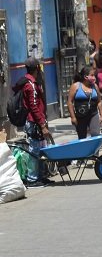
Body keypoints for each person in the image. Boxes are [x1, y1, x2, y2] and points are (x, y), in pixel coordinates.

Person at [15, 57, 51, 188]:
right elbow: (33, 107)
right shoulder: (30, 85)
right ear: (36, 68)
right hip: (34, 122)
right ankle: (32, 179)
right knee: (35, 150)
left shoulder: (32, 83)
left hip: (37, 121)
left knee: (41, 149)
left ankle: (41, 176)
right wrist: (42, 125)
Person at [67, 66, 102, 140]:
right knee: (82, 138)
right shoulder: (76, 86)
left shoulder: (95, 86)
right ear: (85, 76)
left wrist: (101, 115)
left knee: (96, 136)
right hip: (80, 117)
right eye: (92, 75)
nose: (94, 77)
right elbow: (69, 102)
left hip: (93, 115)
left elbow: (99, 102)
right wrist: (73, 117)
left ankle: (94, 151)